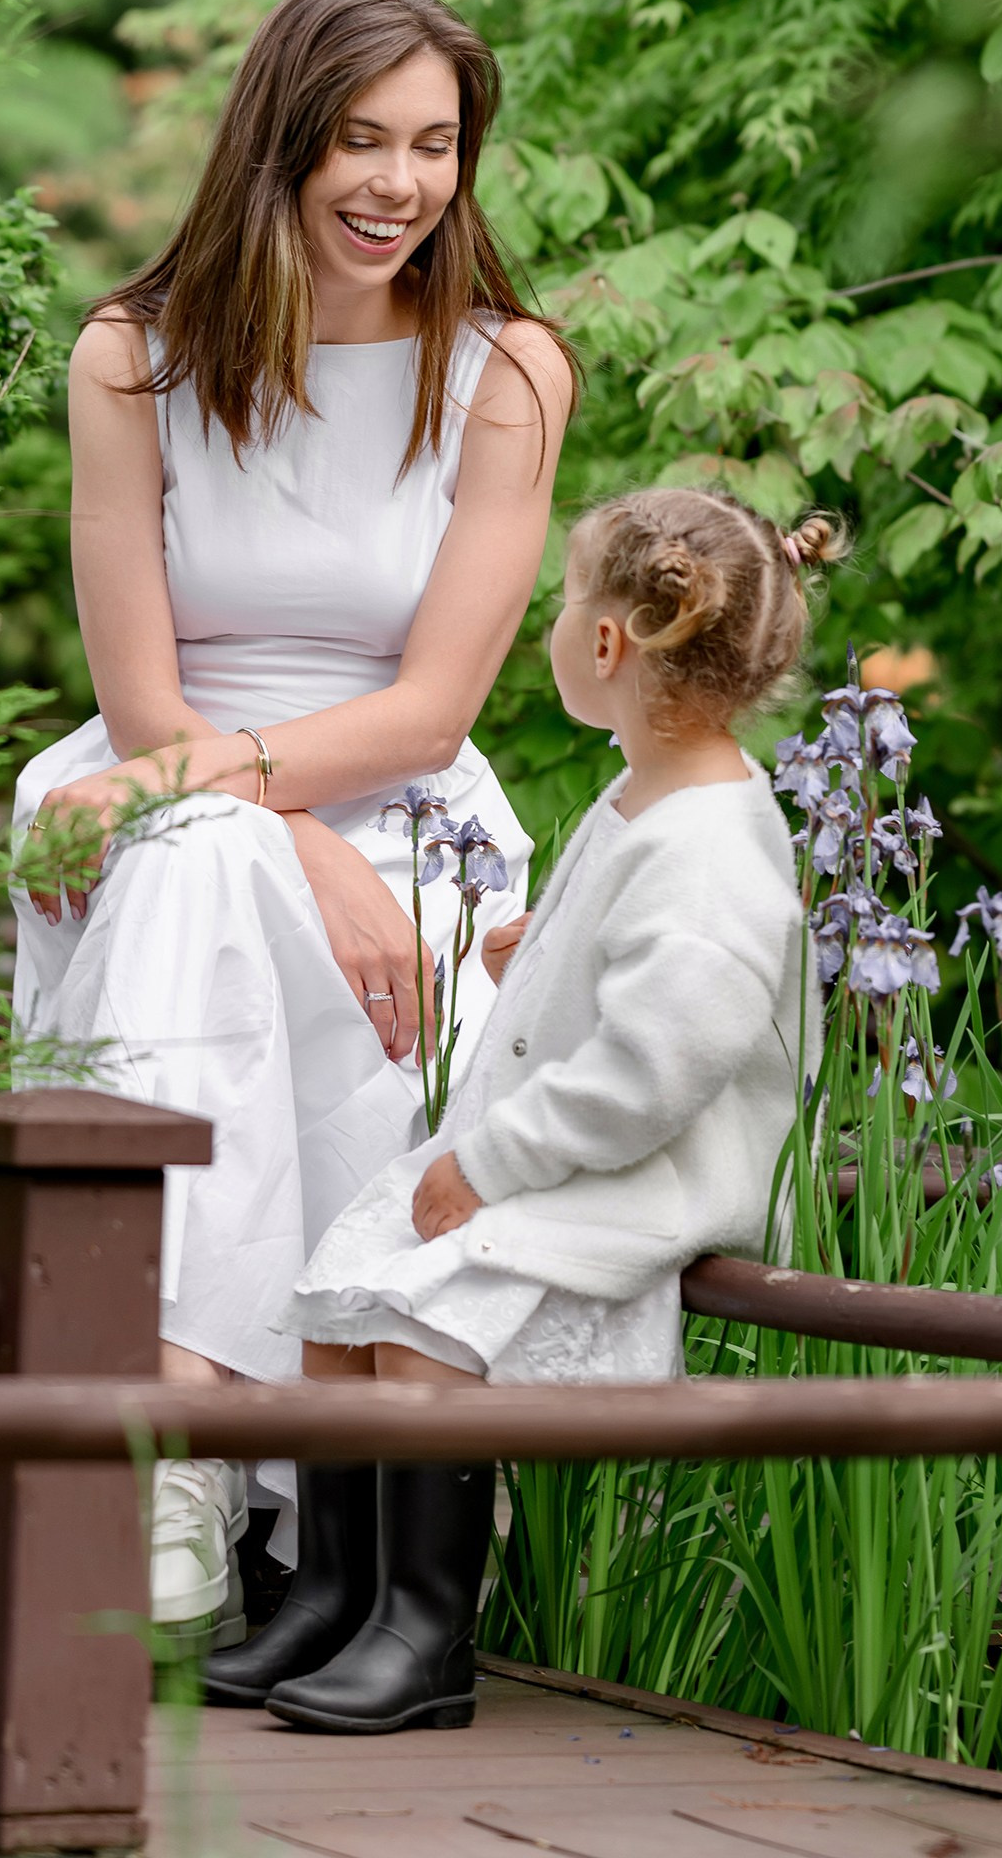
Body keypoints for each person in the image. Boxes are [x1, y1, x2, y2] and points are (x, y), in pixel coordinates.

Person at [9, 0, 574, 1646]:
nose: (400, 185)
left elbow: (432, 709)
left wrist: (300, 827)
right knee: (181, 869)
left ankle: (173, 1451)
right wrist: (289, 838)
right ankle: (184, 1458)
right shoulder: (134, 354)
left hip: (412, 824)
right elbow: (139, 697)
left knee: (190, 861)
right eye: (359, 142)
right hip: (159, 776)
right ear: (278, 145)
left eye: (436, 148)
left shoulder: (504, 370)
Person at [226, 486, 832, 1737]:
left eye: (566, 604)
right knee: (345, 1298)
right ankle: (330, 1597)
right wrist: (534, 957)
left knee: (423, 1325)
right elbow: (624, 985)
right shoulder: (646, 798)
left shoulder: (714, 845)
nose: (555, 627)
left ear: (609, 645)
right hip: (579, 1152)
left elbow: (661, 1066)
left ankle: (425, 1634)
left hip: (640, 1176)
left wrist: (495, 1161)